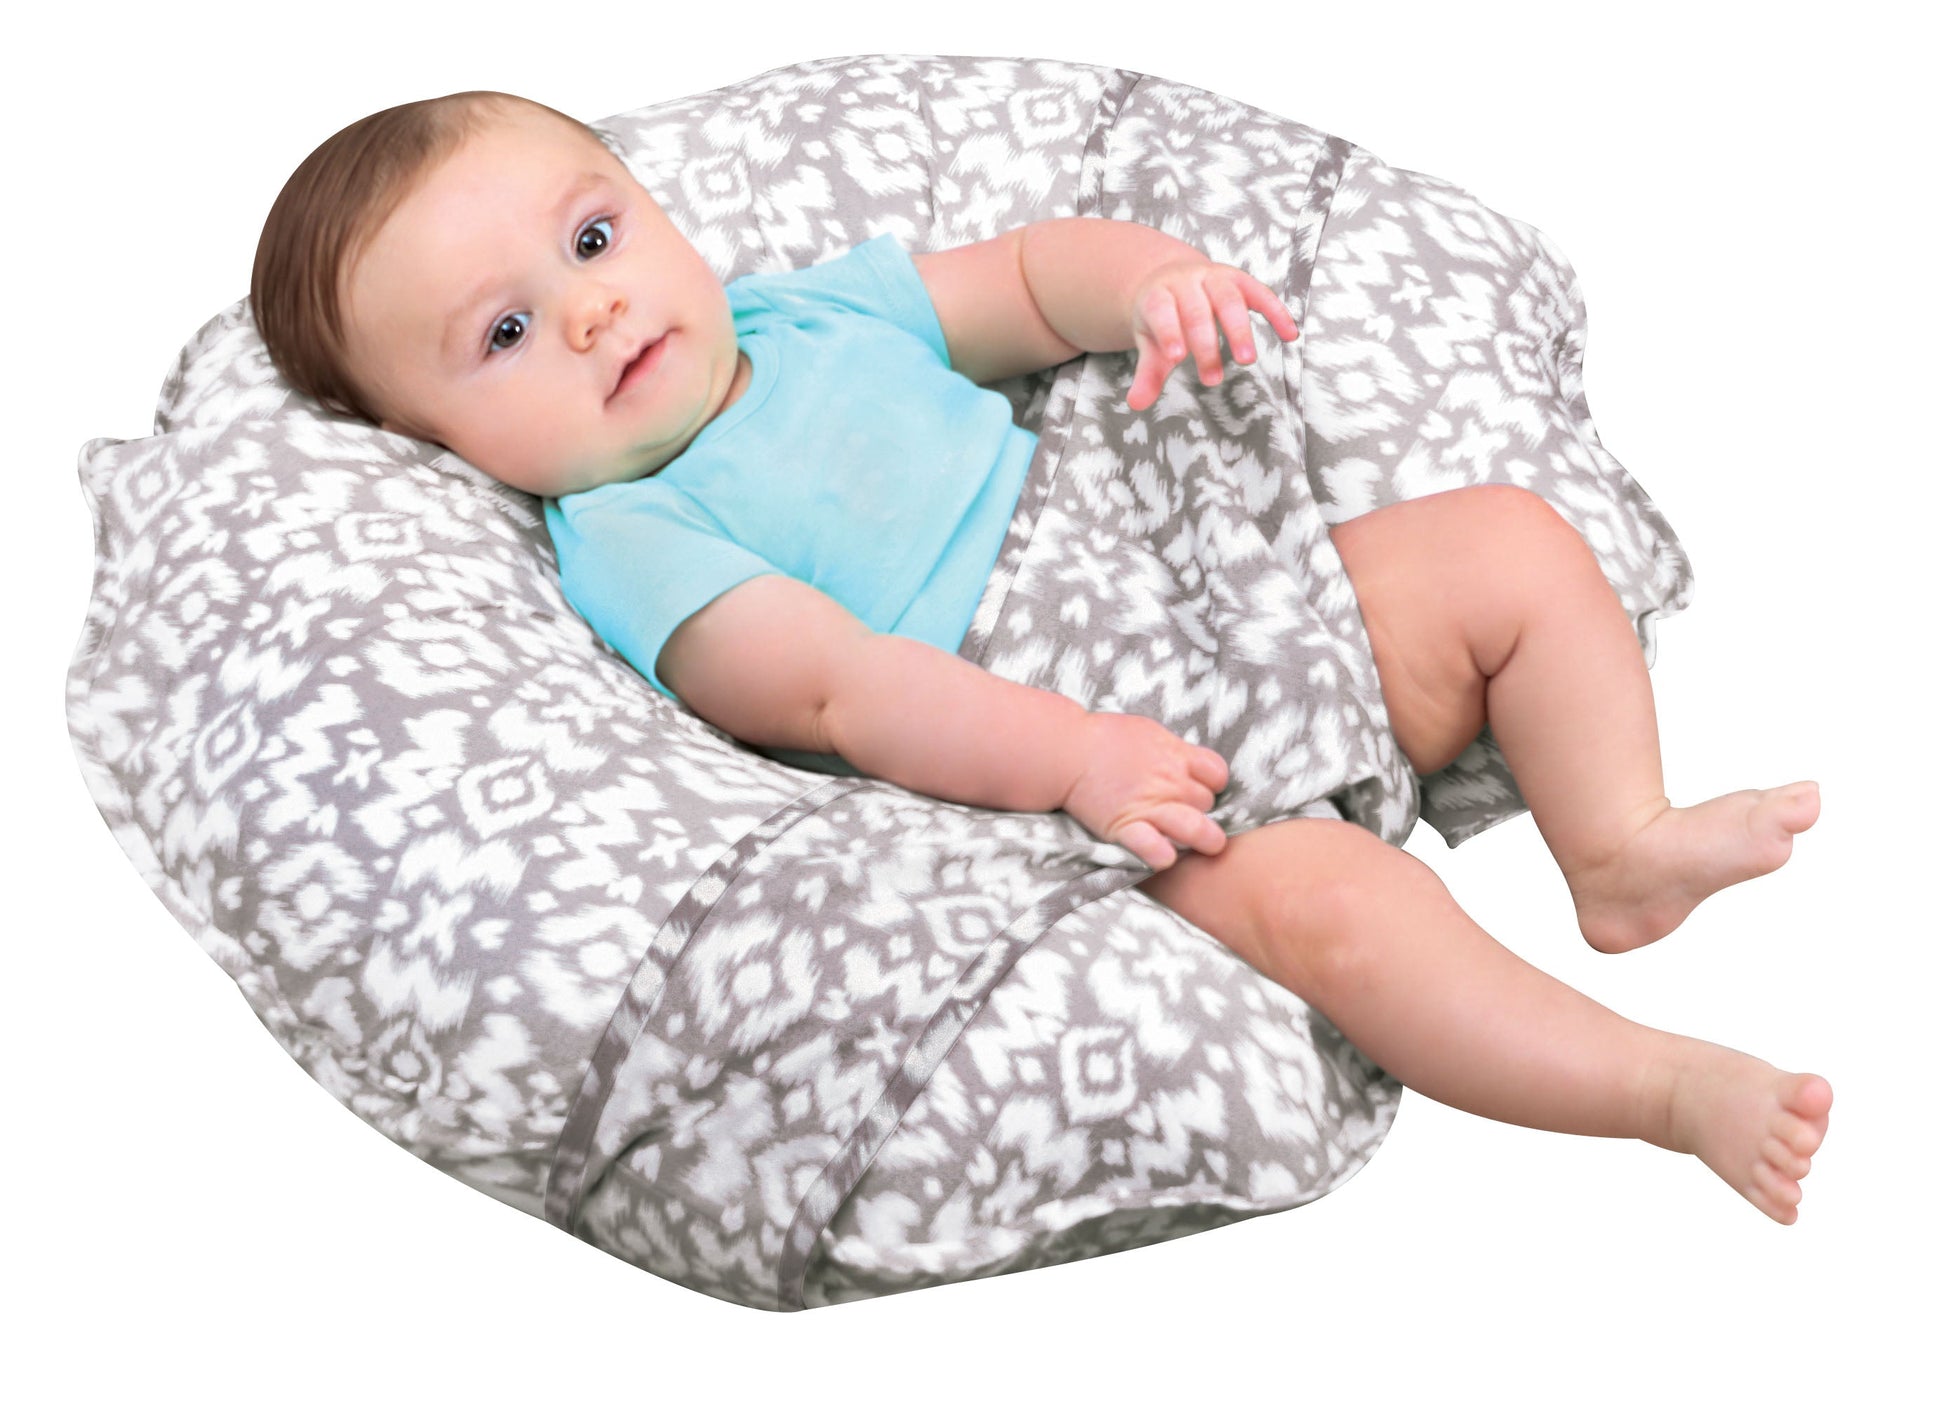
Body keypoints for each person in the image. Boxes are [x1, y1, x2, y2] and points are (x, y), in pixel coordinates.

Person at [251, 90, 1831, 1224]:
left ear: (657, 213)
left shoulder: (801, 318)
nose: (591, 313)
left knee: (1503, 547)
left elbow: (1016, 280)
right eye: (505, 335)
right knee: (1346, 920)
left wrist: (1145, 284)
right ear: (439, 445)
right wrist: (1077, 758)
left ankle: (1615, 846)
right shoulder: (632, 536)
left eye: (593, 237)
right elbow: (838, 690)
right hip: (1076, 773)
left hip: (1213, 596)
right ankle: (1662, 1090)